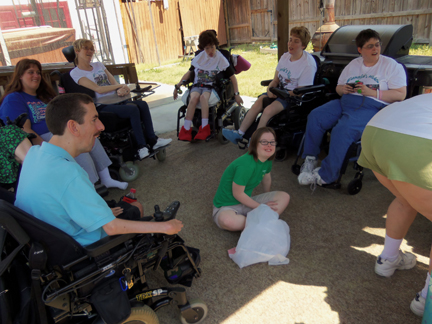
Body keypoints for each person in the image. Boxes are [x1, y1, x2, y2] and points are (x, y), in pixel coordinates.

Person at [15, 93, 183, 246]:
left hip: (50, 242)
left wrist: (99, 210)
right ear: (74, 127)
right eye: (94, 119)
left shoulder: (34, 155)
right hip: (87, 248)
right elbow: (111, 227)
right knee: (135, 207)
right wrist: (165, 226)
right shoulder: (68, 173)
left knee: (121, 206)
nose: (101, 126)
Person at [297, 28, 407, 187]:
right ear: (360, 50)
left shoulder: (391, 66)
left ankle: (326, 176)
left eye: (377, 45)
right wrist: (343, 89)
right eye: (370, 46)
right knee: (316, 116)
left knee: (343, 129)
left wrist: (373, 93)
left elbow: (400, 94)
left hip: (372, 107)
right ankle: (310, 159)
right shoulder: (353, 64)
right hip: (346, 102)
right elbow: (338, 88)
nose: (375, 49)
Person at [0, 59, 127, 190]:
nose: (36, 76)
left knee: (90, 135)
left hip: (60, 131)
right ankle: (90, 187)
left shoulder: (45, 95)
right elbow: (23, 130)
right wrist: (46, 149)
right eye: (30, 72)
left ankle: (106, 178)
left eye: (38, 72)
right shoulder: (14, 99)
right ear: (20, 75)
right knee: (77, 141)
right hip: (42, 139)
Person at [358, 93, 432, 317]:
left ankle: (388, 259)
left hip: (377, 129)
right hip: (414, 140)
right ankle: (427, 298)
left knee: (405, 198)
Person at [70, 38, 171, 160]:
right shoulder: (75, 73)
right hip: (102, 105)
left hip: (117, 99)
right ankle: (141, 147)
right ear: (76, 50)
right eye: (86, 48)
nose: (90, 51)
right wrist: (120, 86)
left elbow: (113, 81)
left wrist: (122, 89)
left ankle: (153, 140)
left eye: (91, 49)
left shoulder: (99, 65)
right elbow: (99, 89)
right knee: (132, 110)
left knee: (142, 104)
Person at [223, 26, 317, 144]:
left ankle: (255, 141)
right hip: (278, 91)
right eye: (290, 39)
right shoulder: (285, 57)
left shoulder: (308, 64)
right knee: (258, 102)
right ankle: (239, 133)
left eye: (296, 41)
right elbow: (275, 80)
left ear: (303, 45)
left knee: (268, 110)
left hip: (292, 97)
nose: (291, 43)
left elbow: (301, 91)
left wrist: (281, 93)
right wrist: (270, 89)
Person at [212, 127, 290, 231]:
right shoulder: (246, 164)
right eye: (264, 142)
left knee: (284, 196)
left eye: (272, 142)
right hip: (226, 206)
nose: (269, 145)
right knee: (228, 221)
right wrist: (261, 207)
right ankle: (262, 220)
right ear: (254, 144)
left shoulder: (267, 160)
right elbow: (238, 194)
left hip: (246, 202)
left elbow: (266, 178)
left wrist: (267, 197)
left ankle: (255, 222)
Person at [173, 30, 243, 142]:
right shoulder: (200, 57)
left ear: (215, 45)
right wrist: (178, 86)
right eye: (206, 48)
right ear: (203, 48)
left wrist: (236, 94)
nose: (210, 51)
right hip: (197, 85)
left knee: (203, 98)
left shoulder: (220, 58)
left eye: (212, 47)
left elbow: (233, 78)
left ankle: (204, 128)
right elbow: (189, 72)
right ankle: (185, 130)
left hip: (210, 86)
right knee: (193, 99)